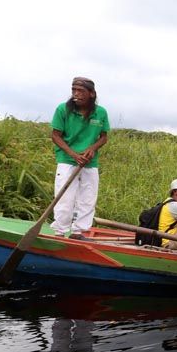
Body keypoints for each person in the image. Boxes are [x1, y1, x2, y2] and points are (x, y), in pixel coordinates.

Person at [50, 77, 110, 239]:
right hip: (67, 159)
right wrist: (74, 155)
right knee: (65, 197)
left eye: (81, 91)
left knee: (88, 198)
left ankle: (78, 232)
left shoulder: (100, 112)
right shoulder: (63, 109)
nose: (76, 94)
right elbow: (55, 136)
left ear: (91, 94)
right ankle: (60, 232)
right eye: (73, 90)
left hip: (90, 161)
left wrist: (92, 149)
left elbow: (103, 137)